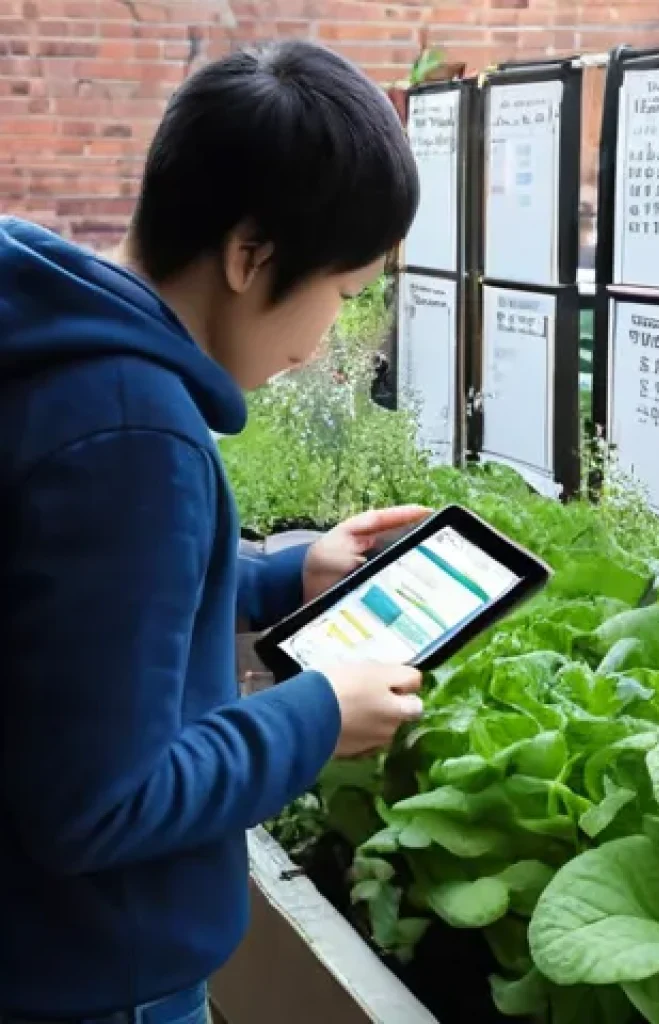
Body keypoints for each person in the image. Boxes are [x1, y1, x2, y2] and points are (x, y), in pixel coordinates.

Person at [0, 40, 426, 1024]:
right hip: (92, 982)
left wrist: (286, 577)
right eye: (344, 292)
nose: (325, 338)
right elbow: (101, 803)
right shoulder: (131, 434)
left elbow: (73, 613)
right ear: (249, 254)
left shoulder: (53, 350)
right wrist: (317, 718)